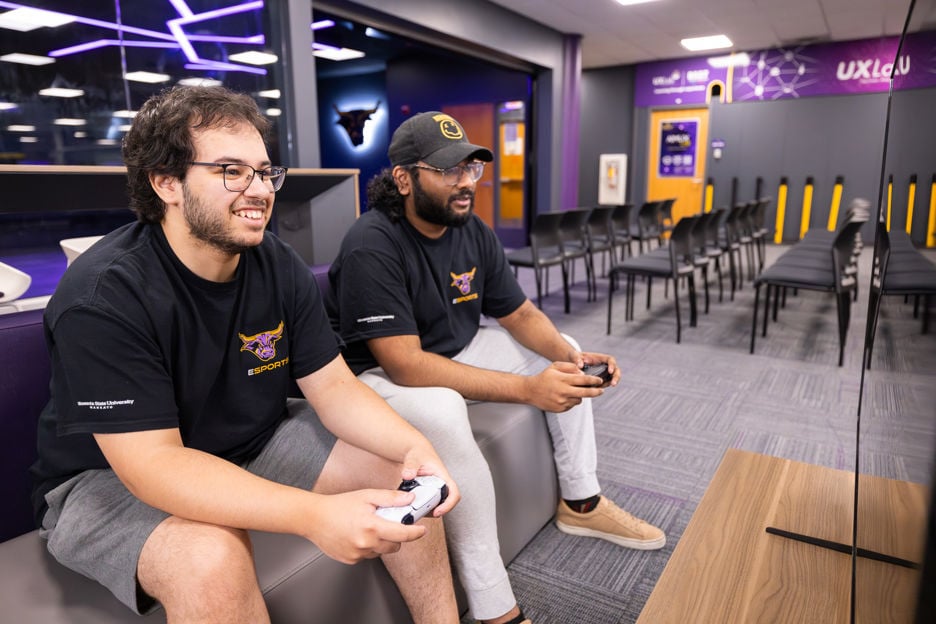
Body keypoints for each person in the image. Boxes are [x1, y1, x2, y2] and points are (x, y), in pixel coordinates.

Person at [29, 86, 461, 624]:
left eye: (264, 172)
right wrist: (315, 515)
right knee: (211, 558)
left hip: (248, 441)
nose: (258, 189)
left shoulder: (277, 263)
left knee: (397, 474)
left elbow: (335, 388)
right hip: (107, 479)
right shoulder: (103, 295)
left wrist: (413, 446)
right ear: (166, 182)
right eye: (231, 171)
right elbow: (154, 465)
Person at [326, 111, 666, 624]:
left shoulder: (472, 230)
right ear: (404, 179)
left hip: (451, 350)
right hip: (376, 376)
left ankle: (581, 501)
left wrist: (572, 360)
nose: (466, 184)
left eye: (471, 169)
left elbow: (521, 313)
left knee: (564, 349)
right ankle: (495, 609)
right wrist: (528, 390)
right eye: (449, 171)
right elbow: (405, 364)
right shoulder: (371, 243)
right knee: (441, 410)